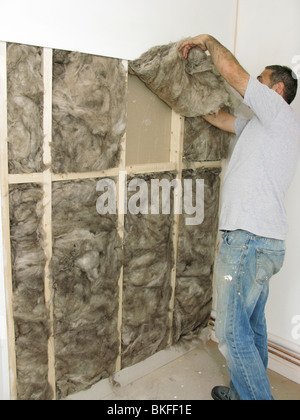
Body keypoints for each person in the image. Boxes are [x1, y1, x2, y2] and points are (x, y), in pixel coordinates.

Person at [179, 35, 300, 400]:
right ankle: (241, 392)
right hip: (261, 243)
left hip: (249, 241)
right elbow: (222, 119)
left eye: (261, 81)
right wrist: (185, 97)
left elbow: (233, 73)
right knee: (251, 325)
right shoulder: (264, 128)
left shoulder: (278, 112)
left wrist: (206, 41)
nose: (254, 86)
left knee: (231, 332)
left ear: (277, 89)